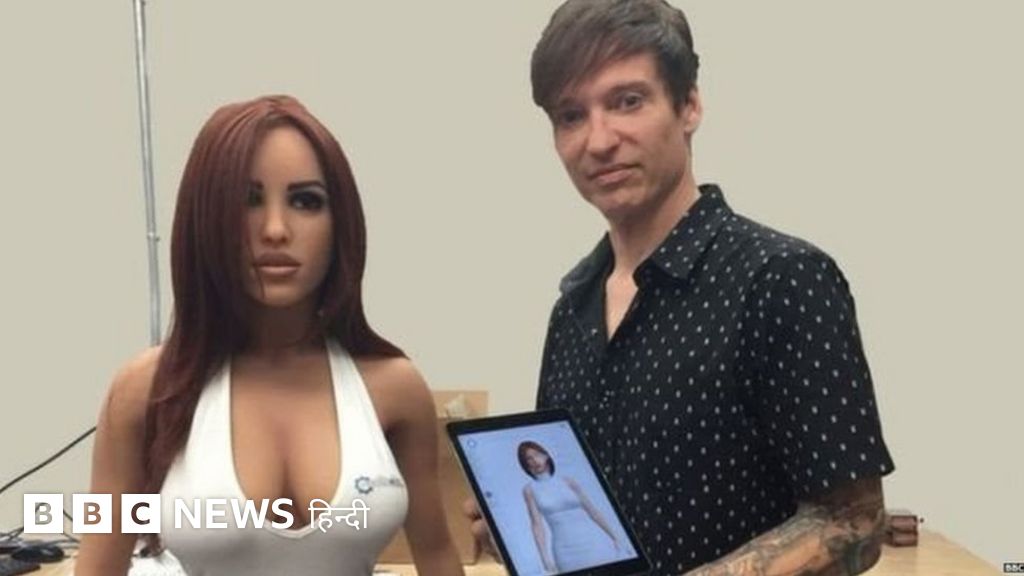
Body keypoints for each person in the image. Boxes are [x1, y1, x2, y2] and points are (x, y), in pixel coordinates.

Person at [467, 2, 895, 575]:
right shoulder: (572, 308)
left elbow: (854, 522)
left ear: (689, 105)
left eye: (627, 101)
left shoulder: (782, 279)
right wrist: (523, 541)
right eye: (571, 116)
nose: (599, 140)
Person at [76, 95, 464, 576]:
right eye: (248, 200)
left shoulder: (394, 388)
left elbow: (438, 553)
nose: (276, 230)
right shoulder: (144, 390)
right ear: (205, 218)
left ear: (340, 223)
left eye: (306, 201)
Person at [517, 441, 622, 573]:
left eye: (537, 454)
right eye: (529, 458)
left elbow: (592, 511)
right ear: (525, 464)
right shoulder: (530, 490)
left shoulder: (568, 481)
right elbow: (537, 525)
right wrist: (545, 558)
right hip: (564, 549)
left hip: (594, 541)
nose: (534, 460)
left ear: (546, 456)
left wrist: (614, 536)